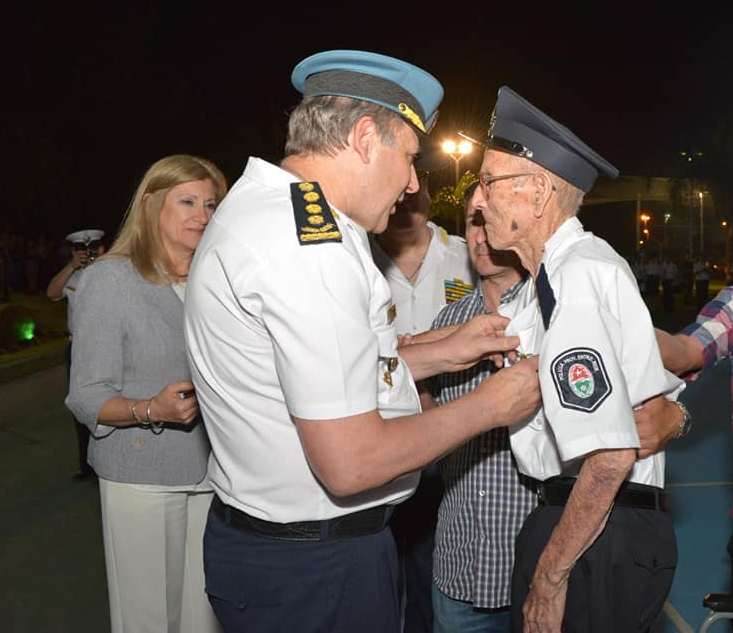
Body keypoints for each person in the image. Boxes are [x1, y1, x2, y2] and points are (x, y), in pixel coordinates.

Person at [183, 50, 541, 633]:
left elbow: (317, 373)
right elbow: (352, 462)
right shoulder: (310, 249)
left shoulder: (273, 212)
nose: (411, 185)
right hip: (314, 569)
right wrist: (493, 405)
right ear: (366, 137)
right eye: (409, 160)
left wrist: (443, 350)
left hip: (278, 555)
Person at [473, 86, 685, 633]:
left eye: (487, 183)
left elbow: (611, 456)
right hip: (587, 521)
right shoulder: (555, 279)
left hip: (598, 531)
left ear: (538, 193)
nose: (476, 202)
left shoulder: (579, 276)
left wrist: (549, 577)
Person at [65, 154, 227, 633]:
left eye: (212, 204)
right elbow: (87, 394)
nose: (203, 214)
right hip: (141, 473)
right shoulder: (109, 279)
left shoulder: (217, 282)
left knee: (204, 615)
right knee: (149, 619)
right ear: (153, 205)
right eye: (188, 201)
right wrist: (149, 409)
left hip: (217, 475)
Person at [371, 162, 476, 633]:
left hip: (457, 444)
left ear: (427, 190)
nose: (408, 203)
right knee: (381, 581)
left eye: (417, 190)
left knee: (444, 579)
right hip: (379, 441)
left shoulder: (468, 256)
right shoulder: (355, 261)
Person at [427, 181, 534, 633]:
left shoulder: (562, 315)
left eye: (492, 216)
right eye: (473, 219)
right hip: (459, 569)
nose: (481, 232)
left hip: (536, 571)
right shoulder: (447, 324)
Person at [47, 228, 105, 479]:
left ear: (101, 249)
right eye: (80, 249)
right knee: (80, 405)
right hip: (78, 347)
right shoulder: (72, 275)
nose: (86, 253)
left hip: (104, 347)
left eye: (91, 248)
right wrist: (71, 266)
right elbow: (52, 294)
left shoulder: (108, 273)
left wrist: (100, 264)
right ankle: (87, 465)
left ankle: (106, 460)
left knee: (106, 404)